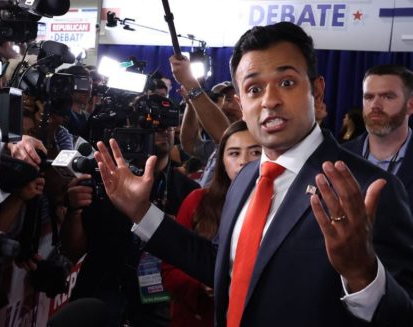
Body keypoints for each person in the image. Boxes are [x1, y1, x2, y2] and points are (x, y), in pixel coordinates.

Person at [93, 22, 413, 327]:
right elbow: (224, 265)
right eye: (254, 88)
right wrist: (141, 212)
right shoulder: (246, 178)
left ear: (316, 90)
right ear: (240, 104)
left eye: (286, 83)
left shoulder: (368, 188)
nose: (270, 101)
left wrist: (363, 277)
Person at [62, 120, 199, 326]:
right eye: (150, 120)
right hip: (99, 299)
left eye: (166, 119)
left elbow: (197, 259)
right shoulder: (105, 180)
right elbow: (73, 252)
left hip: (157, 306)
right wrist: (74, 210)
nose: (162, 128)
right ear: (131, 126)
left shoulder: (189, 191)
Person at [162, 120, 261, 327]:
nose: (244, 161)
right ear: (222, 162)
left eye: (255, 152)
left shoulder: (283, 205)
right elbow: (170, 271)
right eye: (234, 153)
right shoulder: (197, 201)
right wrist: (202, 284)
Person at [343, 64, 413, 210]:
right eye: (368, 97)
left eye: (387, 97)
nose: (375, 105)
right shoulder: (337, 156)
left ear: (410, 105)